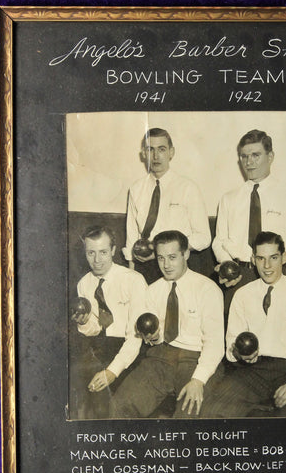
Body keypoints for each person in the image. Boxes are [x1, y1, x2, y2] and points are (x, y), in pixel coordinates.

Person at [201, 231, 286, 418]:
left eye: (273, 257)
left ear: (284, 257)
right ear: (252, 259)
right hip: (253, 370)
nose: (267, 266)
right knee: (212, 411)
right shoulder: (242, 295)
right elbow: (233, 342)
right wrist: (240, 353)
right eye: (260, 258)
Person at [110, 230, 224, 418]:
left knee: (187, 416)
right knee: (120, 404)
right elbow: (157, 335)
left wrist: (198, 380)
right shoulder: (153, 290)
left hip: (196, 359)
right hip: (161, 358)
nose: (166, 265)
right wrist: (154, 338)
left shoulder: (208, 289)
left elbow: (215, 344)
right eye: (161, 258)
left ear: (186, 254)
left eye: (172, 257)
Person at [212, 129, 286, 301]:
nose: (249, 162)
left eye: (255, 155)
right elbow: (219, 242)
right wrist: (228, 265)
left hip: (278, 275)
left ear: (270, 156)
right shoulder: (229, 199)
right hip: (240, 278)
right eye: (244, 156)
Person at [70, 225, 147, 419]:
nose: (97, 260)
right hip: (100, 347)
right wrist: (83, 323)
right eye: (91, 253)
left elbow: (136, 338)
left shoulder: (134, 280)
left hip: (133, 350)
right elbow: (93, 330)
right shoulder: (84, 283)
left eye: (103, 252)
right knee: (78, 389)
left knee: (116, 405)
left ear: (113, 250)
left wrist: (112, 372)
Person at [122, 127, 211, 284]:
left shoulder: (188, 188)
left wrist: (169, 252)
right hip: (145, 266)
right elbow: (131, 236)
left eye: (161, 149)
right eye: (150, 150)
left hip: (177, 266)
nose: (156, 156)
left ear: (171, 152)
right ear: (143, 154)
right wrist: (131, 276)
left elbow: (203, 237)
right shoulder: (136, 189)